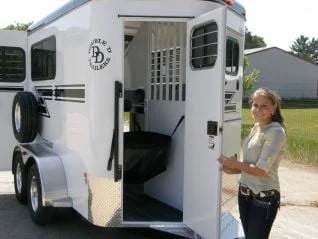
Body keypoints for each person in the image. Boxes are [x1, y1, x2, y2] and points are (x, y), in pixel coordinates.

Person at [219, 88, 286, 239]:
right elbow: (252, 164)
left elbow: (261, 170)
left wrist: (235, 164)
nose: (258, 110)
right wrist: (235, 170)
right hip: (245, 193)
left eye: (264, 106)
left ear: (274, 107)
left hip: (264, 197)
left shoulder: (276, 132)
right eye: (255, 105)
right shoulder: (256, 127)